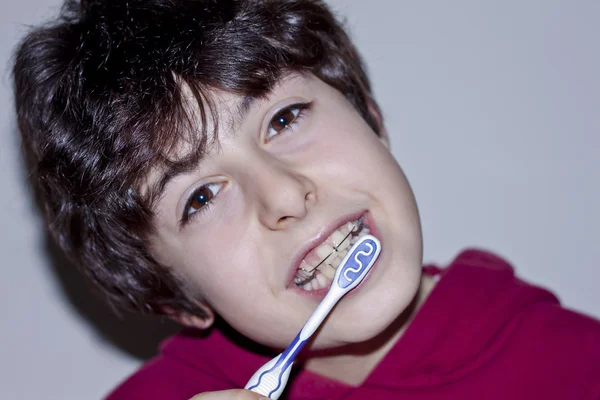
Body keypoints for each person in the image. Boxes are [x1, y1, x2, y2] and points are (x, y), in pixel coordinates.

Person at [12, 0, 600, 399]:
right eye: (200, 198)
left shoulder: (576, 367)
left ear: (370, 119)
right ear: (174, 299)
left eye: (284, 118)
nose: (285, 195)